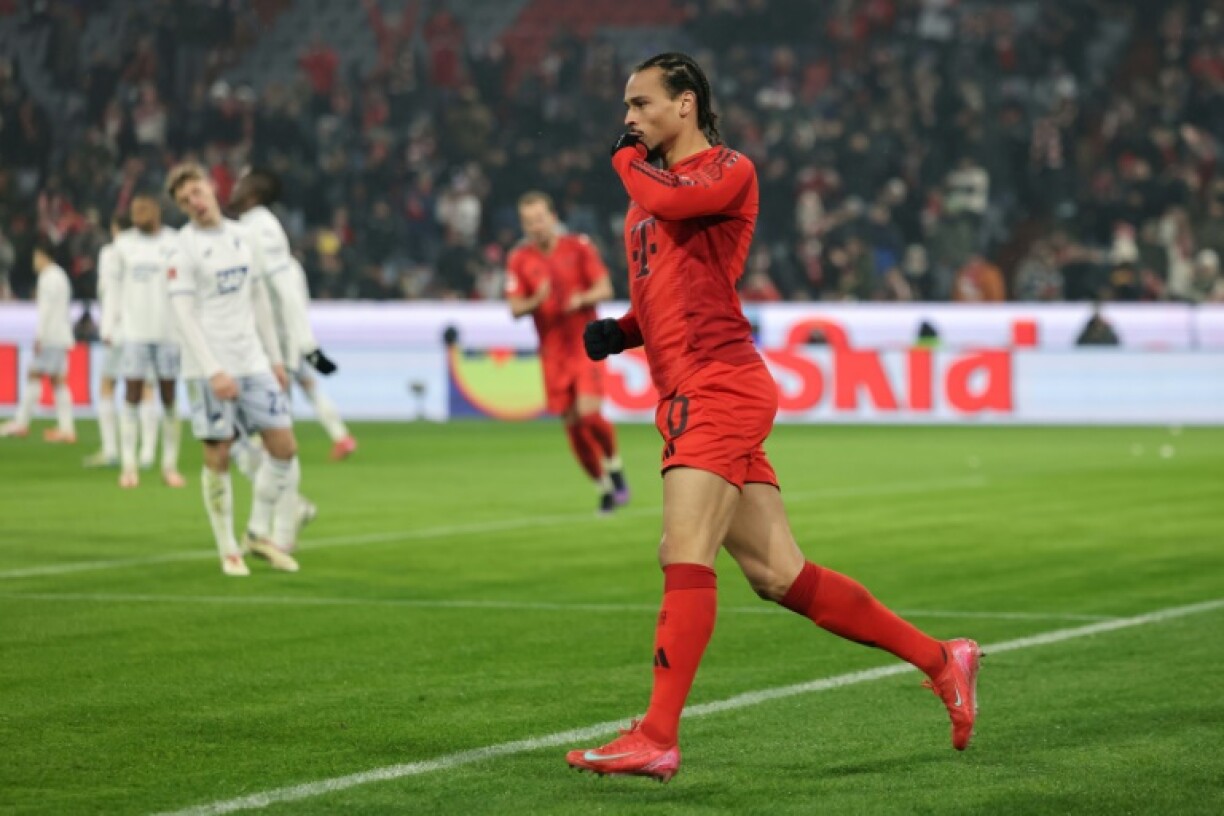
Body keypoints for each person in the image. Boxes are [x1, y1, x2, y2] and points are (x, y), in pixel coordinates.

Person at [566, 53, 980, 782]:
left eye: (641, 103)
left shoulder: (727, 170)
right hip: (694, 385)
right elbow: (677, 286)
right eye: (625, 108)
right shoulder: (653, 190)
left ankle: (658, 734)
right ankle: (943, 659)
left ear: (686, 103)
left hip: (718, 385)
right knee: (778, 574)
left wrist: (624, 161)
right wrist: (624, 331)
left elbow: (666, 206)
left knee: (682, 548)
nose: (628, 118)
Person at [165, 162, 316, 576]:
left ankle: (256, 531)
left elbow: (259, 300)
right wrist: (213, 369)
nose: (193, 203)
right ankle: (228, 548)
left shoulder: (242, 236)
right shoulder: (182, 249)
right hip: (208, 368)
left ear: (212, 189)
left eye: (196, 192)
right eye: (183, 200)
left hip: (253, 362)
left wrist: (275, 358)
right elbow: (183, 316)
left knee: (284, 447)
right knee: (218, 452)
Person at [505, 191, 628, 514]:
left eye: (540, 218)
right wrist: (537, 300)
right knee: (573, 426)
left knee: (589, 413)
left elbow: (606, 288)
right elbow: (515, 308)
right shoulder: (519, 260)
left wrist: (582, 298)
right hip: (552, 354)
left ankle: (615, 466)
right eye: (529, 221)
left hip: (584, 345)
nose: (536, 226)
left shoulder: (578, 247)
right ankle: (603, 488)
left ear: (553, 216)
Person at [228, 167, 355, 461]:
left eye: (241, 185)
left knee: (274, 389)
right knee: (305, 385)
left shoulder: (262, 228)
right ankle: (339, 436)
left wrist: (305, 342)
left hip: (278, 332)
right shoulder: (249, 226)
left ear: (253, 194)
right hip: (277, 329)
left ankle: (275, 454)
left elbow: (284, 288)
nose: (233, 189)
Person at [105, 193, 186, 489]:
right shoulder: (123, 244)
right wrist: (110, 325)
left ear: (157, 213)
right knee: (132, 396)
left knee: (169, 398)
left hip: (167, 333)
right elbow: (113, 288)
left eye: (145, 210)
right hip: (135, 333)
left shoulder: (175, 241)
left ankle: (169, 465)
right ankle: (129, 466)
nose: (140, 215)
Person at [1, 235, 77, 442]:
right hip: (61, 335)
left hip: (51, 337)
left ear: (43, 256)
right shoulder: (61, 276)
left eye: (36, 256)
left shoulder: (47, 278)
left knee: (34, 375)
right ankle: (66, 428)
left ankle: (21, 422)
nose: (34, 261)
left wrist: (40, 336)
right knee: (58, 381)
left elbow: (46, 311)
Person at [82, 213, 128, 468]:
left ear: (115, 227)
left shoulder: (110, 253)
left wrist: (107, 328)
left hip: (118, 331)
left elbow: (106, 292)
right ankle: (144, 454)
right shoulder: (149, 251)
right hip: (143, 331)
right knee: (145, 390)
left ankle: (111, 450)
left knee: (107, 386)